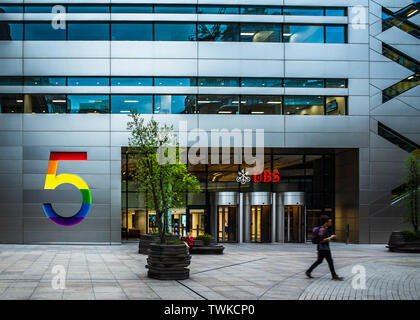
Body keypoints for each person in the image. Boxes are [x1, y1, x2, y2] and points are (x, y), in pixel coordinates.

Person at [305, 215, 344, 281]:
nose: (330, 223)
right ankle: (334, 275)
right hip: (324, 248)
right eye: (329, 222)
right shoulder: (323, 229)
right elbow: (322, 240)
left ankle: (308, 271)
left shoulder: (323, 228)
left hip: (321, 248)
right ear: (326, 222)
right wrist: (330, 237)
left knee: (319, 261)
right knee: (330, 261)